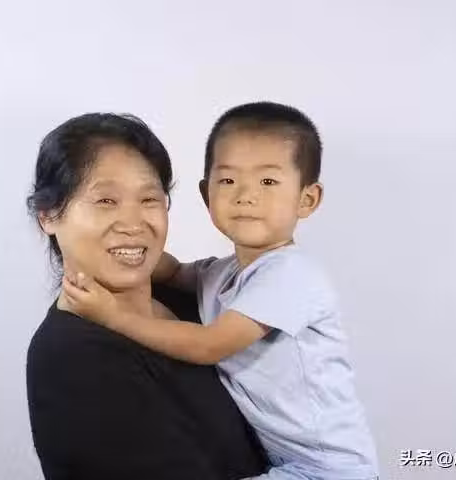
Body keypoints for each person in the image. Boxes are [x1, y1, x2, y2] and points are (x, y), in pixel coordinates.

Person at [63, 102, 380, 479]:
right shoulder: (224, 272)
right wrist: (121, 245)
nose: (246, 195)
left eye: (268, 182)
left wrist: (113, 316)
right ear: (206, 194)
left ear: (306, 199)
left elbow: (209, 346)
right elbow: (172, 270)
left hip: (329, 469)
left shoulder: (292, 276)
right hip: (284, 462)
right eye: (228, 181)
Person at [25, 112, 268, 480]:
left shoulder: (195, 300)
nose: (133, 223)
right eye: (106, 200)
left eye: (150, 199)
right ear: (48, 216)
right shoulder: (69, 357)